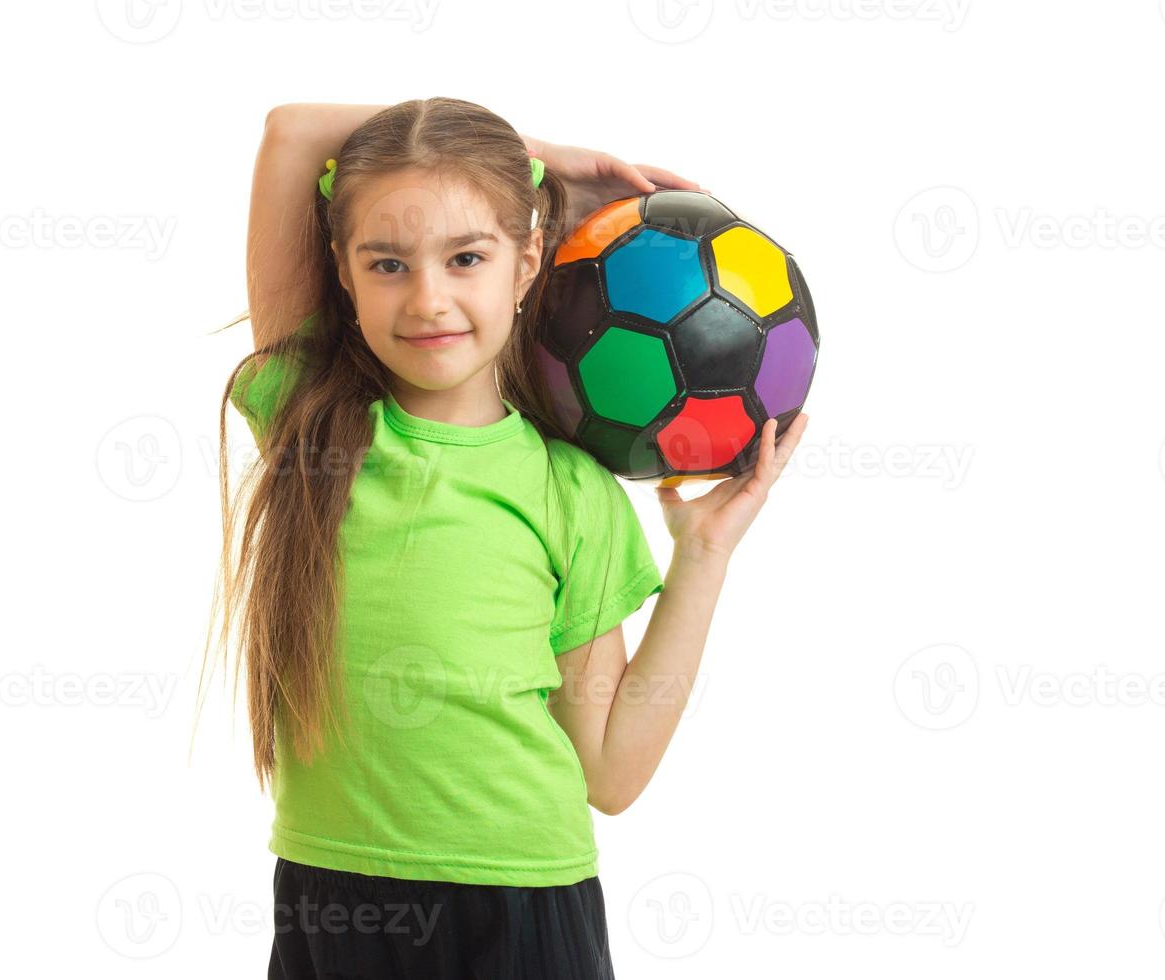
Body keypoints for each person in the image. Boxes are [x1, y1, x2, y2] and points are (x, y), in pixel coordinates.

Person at [199, 98, 809, 979]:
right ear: (342, 271)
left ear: (527, 262)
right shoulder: (313, 433)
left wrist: (704, 555)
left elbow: (610, 774)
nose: (429, 298)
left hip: (525, 908)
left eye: (467, 257)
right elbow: (292, 132)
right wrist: (530, 156)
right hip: (331, 895)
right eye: (388, 264)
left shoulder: (571, 491)